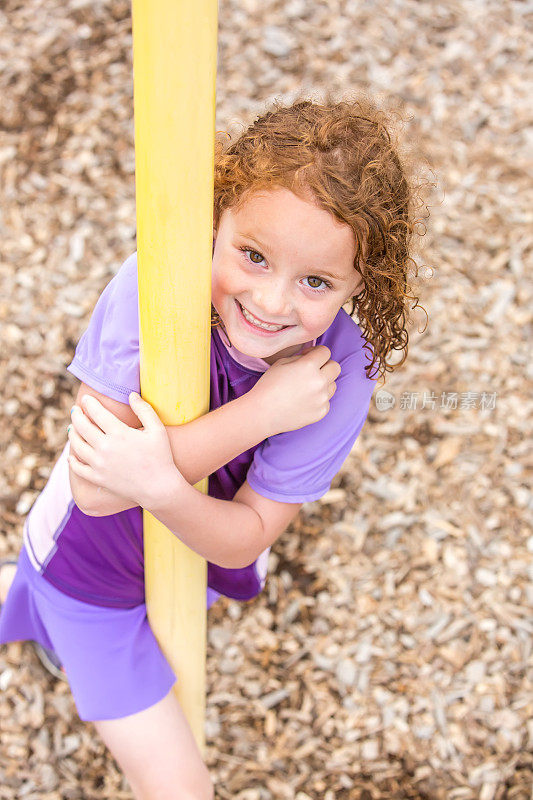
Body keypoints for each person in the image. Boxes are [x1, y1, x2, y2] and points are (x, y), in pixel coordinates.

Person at [0, 96, 423, 800]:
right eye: (252, 255)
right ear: (214, 218)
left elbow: (244, 539)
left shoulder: (342, 369)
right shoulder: (153, 284)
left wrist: (160, 482)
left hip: (191, 561)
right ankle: (48, 628)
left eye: (315, 281)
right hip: (88, 575)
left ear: (361, 284)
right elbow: (99, 491)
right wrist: (259, 413)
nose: (271, 301)